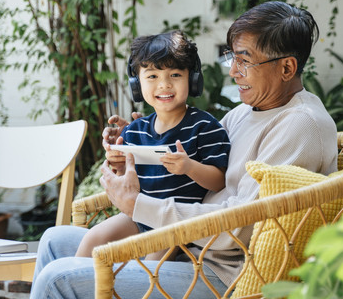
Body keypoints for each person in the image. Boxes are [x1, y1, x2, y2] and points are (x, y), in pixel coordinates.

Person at [30, 1, 338, 299]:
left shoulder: (300, 126)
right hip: (187, 248)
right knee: (55, 241)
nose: (233, 72)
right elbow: (196, 157)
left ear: (287, 67)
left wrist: (138, 205)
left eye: (245, 60)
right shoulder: (247, 112)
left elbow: (240, 228)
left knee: (59, 280)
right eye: (233, 58)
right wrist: (143, 139)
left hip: (225, 273)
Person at [75, 30, 230, 259]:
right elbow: (130, 181)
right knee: (93, 239)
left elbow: (219, 182)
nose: (164, 85)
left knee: (151, 263)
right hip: (139, 216)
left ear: (193, 79)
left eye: (175, 74)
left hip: (176, 224)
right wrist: (118, 166)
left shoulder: (206, 126)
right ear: (137, 84)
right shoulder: (134, 130)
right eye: (152, 76)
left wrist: (189, 167)